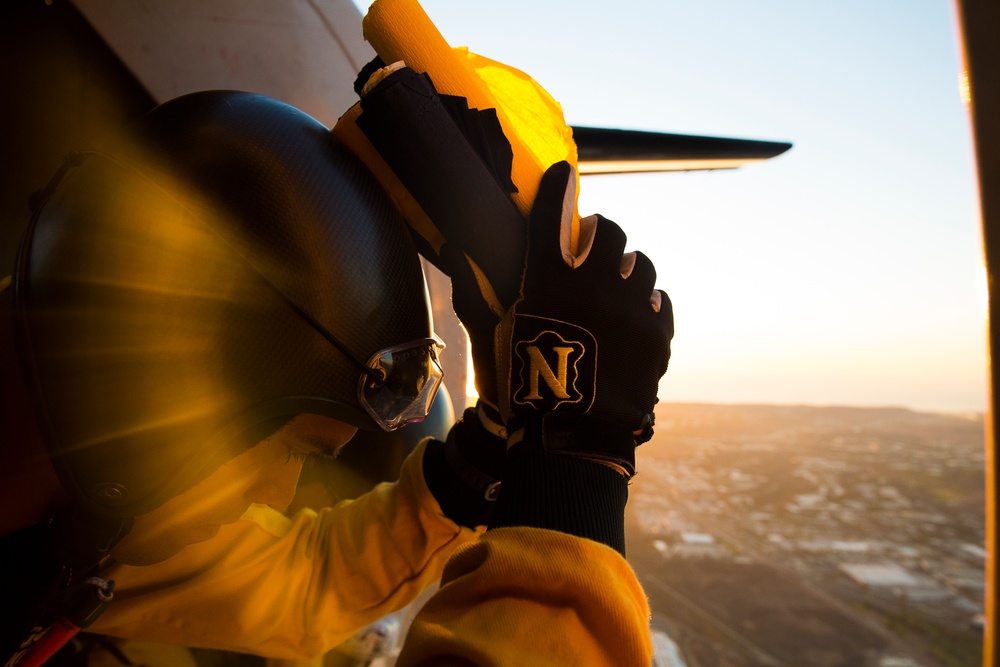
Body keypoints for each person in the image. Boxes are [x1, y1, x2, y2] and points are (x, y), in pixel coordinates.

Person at [2, 89, 673, 666]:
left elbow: (305, 582)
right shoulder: (98, 523)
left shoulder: (87, 533)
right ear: (146, 381)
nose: (280, 491)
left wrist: (496, 439)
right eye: (293, 448)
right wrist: (575, 488)